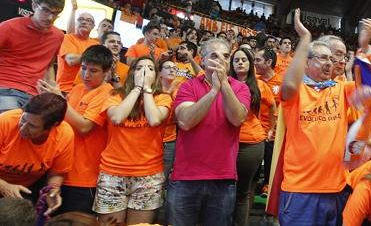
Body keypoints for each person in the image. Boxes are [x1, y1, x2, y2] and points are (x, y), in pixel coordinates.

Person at [278, 9, 359, 226]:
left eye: (332, 60)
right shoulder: (297, 93)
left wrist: (365, 50)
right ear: (306, 62)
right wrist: (305, 39)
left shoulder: (342, 90)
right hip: (300, 189)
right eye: (323, 58)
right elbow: (288, 85)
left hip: (336, 189)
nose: (329, 63)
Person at [167, 38, 250, 226]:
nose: (221, 60)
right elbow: (186, 121)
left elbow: (237, 118)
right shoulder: (188, 86)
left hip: (223, 177)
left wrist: (224, 86)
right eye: (214, 55)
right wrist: (213, 91)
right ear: (202, 61)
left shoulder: (241, 88)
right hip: (186, 177)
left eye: (226, 56)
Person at [93, 56, 172, 225]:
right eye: (139, 68)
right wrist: (136, 88)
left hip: (148, 175)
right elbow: (117, 117)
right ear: (131, 73)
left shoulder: (162, 98)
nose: (145, 72)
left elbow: (154, 119)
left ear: (156, 76)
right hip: (112, 173)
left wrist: (147, 90)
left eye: (150, 69)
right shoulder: (116, 95)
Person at [37, 45, 114, 214]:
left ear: (106, 72)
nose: (86, 74)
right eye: (84, 68)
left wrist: (60, 100)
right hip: (59, 172)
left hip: (84, 177)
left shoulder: (107, 92)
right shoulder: (77, 88)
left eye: (93, 71)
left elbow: (85, 126)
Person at [0, 93, 73, 217]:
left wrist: (52, 191)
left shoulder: (64, 135)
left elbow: (57, 173)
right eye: (23, 119)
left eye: (32, 126)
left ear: (52, 126)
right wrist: (3, 185)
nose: (23, 128)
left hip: (27, 188)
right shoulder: (6, 121)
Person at [230, 47, 276, 226]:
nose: (240, 63)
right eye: (236, 60)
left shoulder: (260, 85)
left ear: (250, 64)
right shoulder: (224, 82)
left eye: (244, 60)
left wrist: (270, 129)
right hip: (226, 141)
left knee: (245, 190)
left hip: (251, 143)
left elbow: (273, 108)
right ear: (232, 64)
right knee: (226, 188)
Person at [0, 0, 65, 112]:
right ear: (34, 6)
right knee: (13, 119)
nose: (51, 18)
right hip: (5, 87)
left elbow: (49, 65)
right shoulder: (9, 27)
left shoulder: (58, 36)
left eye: (56, 13)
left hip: (34, 95)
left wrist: (51, 90)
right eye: (46, 10)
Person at [253, 47, 282, 196]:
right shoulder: (253, 82)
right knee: (254, 166)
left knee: (271, 161)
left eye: (258, 60)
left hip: (274, 132)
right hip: (255, 132)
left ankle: (268, 186)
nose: (254, 63)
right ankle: (253, 185)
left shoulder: (282, 81)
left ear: (269, 62)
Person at [56, 12, 98, 93]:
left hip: (87, 92)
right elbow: (71, 60)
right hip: (65, 90)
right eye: (81, 19)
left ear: (93, 26)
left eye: (89, 20)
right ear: (76, 23)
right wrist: (94, 57)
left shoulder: (96, 44)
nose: (84, 22)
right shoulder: (67, 38)